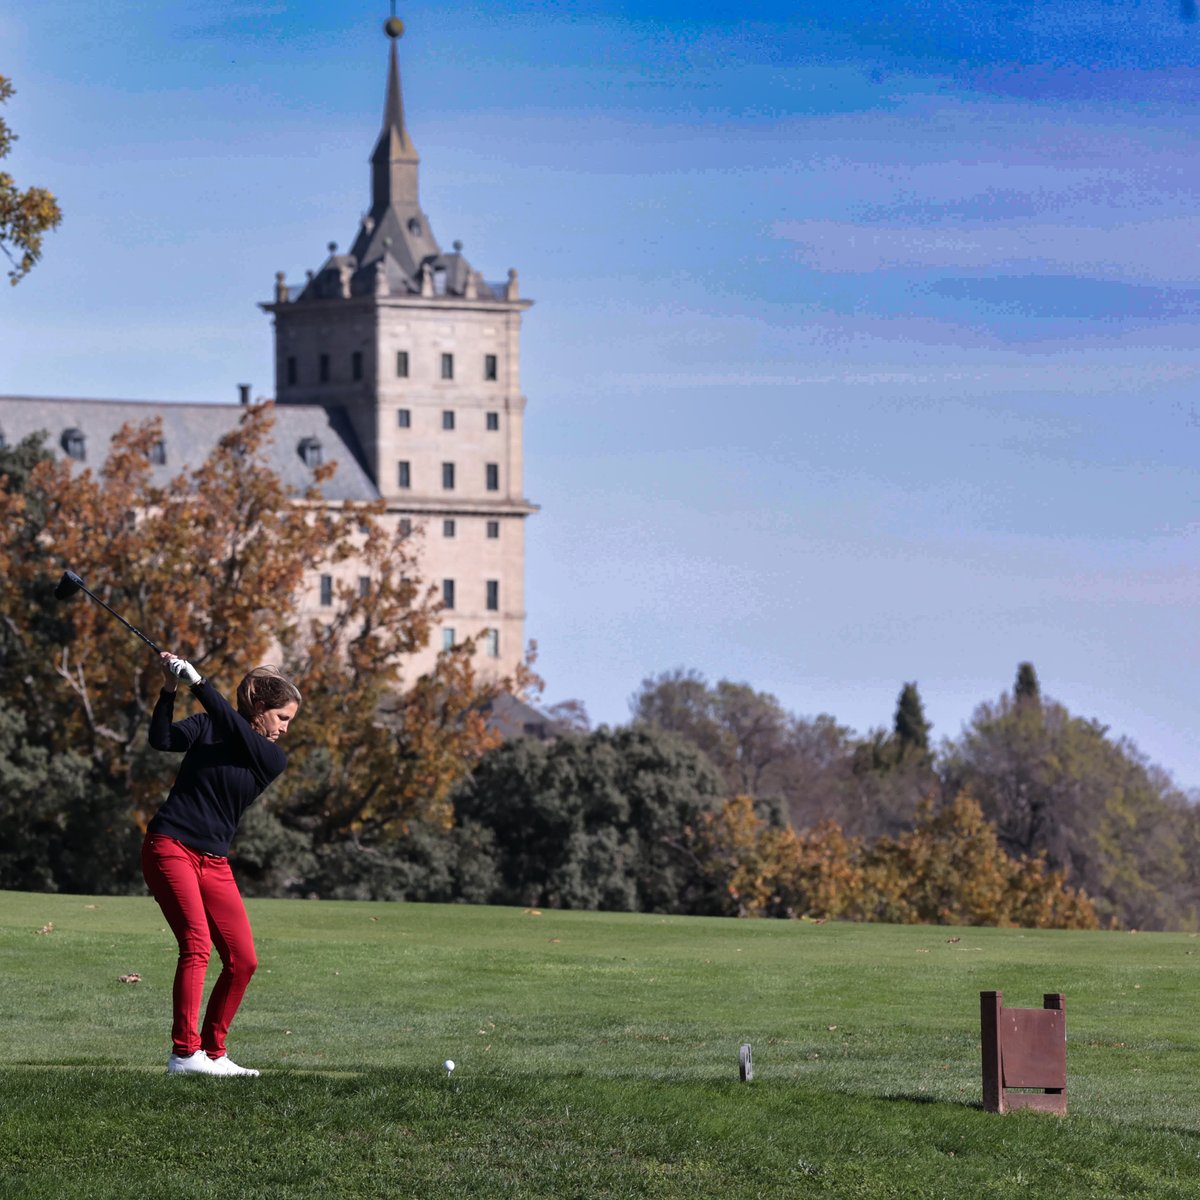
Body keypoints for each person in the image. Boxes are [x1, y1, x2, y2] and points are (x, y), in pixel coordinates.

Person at [142, 652, 301, 1077]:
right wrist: (170, 688)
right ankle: (183, 1054)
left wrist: (198, 681)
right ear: (261, 710)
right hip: (170, 845)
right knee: (196, 945)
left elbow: (233, 726)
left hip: (213, 861)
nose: (285, 729)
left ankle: (214, 1053)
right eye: (283, 718)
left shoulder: (269, 758)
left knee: (243, 960)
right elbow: (161, 740)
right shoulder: (209, 725)